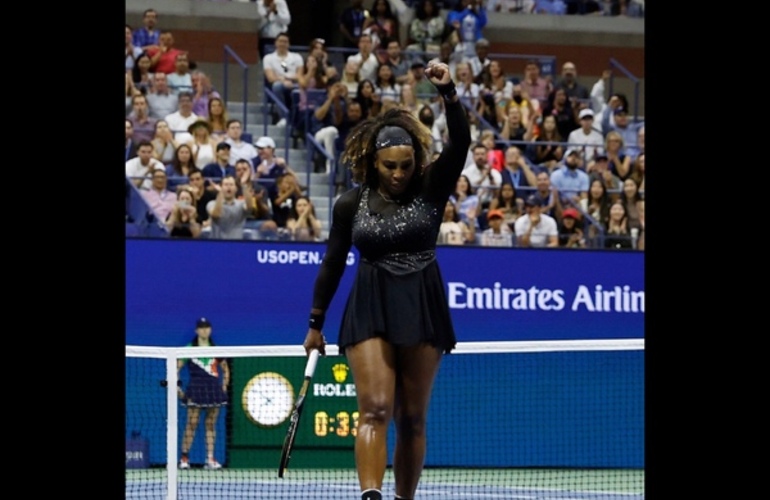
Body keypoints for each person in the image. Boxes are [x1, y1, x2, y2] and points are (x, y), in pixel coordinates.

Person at [301, 60, 469, 500]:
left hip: (422, 299)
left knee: (411, 418)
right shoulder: (348, 204)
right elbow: (333, 263)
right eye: (390, 166)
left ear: (416, 160)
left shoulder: (432, 187)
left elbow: (462, 142)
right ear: (373, 162)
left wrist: (448, 91)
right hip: (370, 301)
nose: (398, 174)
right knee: (374, 409)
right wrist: (315, 323)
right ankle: (371, 496)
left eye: (406, 165)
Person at [177, 317, 230, 470]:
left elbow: (225, 369)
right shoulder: (189, 349)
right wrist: (178, 389)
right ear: (197, 330)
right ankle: (184, 458)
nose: (204, 330)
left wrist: (224, 386)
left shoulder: (216, 350)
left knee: (211, 424)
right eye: (201, 327)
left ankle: (210, 459)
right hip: (195, 389)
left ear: (210, 330)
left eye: (206, 327)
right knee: (191, 424)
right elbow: (176, 367)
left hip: (213, 390)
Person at [262, 32, 304, 127]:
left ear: (288, 44)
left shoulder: (297, 57)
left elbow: (300, 76)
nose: (282, 44)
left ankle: (298, 121)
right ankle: (284, 118)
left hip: (295, 84)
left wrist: (287, 79)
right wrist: (283, 81)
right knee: (277, 86)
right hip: (279, 84)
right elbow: (270, 78)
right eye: (280, 41)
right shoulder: (268, 58)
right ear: (276, 43)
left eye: (285, 42)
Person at [207, 174, 254, 239]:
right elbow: (215, 214)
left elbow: (249, 207)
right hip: (217, 244)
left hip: (236, 244)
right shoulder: (212, 203)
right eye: (226, 185)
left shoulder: (241, 204)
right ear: (221, 187)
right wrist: (220, 193)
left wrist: (244, 186)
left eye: (231, 185)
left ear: (236, 188)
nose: (229, 187)